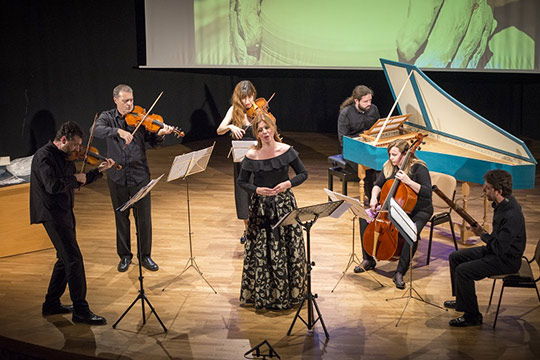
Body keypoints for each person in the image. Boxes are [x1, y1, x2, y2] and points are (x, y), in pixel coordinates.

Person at [30, 121, 115, 325]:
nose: (78, 149)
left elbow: (78, 180)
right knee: (74, 259)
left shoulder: (67, 156)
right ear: (63, 140)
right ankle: (81, 310)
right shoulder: (44, 156)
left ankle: (51, 304)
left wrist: (98, 171)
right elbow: (52, 186)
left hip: (65, 211)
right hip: (51, 214)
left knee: (64, 258)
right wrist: (76, 179)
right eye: (75, 145)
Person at [93, 84, 174, 272]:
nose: (130, 105)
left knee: (144, 219)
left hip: (139, 175)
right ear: (116, 100)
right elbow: (95, 130)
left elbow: (153, 142)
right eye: (125, 101)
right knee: (121, 217)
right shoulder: (107, 117)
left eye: (131, 100)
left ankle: (145, 256)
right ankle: (125, 256)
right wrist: (118, 131)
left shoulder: (141, 118)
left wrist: (160, 135)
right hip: (117, 176)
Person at [237, 112, 308, 309]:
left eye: (267, 128)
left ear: (274, 128)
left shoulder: (287, 150)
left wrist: (288, 183)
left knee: (286, 248)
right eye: (260, 130)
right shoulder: (252, 155)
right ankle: (264, 296)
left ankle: (289, 294)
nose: (265, 132)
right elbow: (241, 181)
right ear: (256, 134)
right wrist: (257, 189)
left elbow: (303, 174)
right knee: (262, 251)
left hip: (284, 205)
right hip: (261, 208)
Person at [444, 170, 526, 327]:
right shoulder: (502, 204)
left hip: (507, 260)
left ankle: (472, 316)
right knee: (455, 257)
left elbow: (499, 248)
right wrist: (484, 235)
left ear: (498, 191)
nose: (483, 191)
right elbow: (497, 243)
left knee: (463, 271)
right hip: (497, 251)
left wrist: (482, 235)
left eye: (487, 188)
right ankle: (463, 302)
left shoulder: (511, 214)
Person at [354, 138, 433, 289]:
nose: (391, 158)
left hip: (419, 210)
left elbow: (427, 192)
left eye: (394, 155)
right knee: (365, 218)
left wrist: (408, 181)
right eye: (390, 154)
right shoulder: (389, 166)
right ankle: (368, 259)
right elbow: (378, 185)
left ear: (405, 155)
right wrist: (373, 198)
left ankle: (400, 272)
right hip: (393, 208)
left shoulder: (419, 168)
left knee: (411, 233)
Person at [217, 80, 257, 244]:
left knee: (257, 195)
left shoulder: (259, 111)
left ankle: (258, 229)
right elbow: (219, 130)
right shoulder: (234, 110)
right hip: (241, 162)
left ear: (254, 94)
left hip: (258, 161)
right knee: (243, 198)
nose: (247, 101)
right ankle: (248, 229)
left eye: (249, 97)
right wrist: (230, 127)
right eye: (243, 98)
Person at [337, 85, 380, 198]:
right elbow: (343, 139)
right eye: (365, 101)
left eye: (370, 100)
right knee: (368, 167)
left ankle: (383, 195)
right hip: (351, 148)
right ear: (356, 100)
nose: (369, 104)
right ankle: (372, 199)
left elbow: (377, 129)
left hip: (369, 145)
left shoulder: (373, 109)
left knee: (384, 162)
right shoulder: (346, 113)